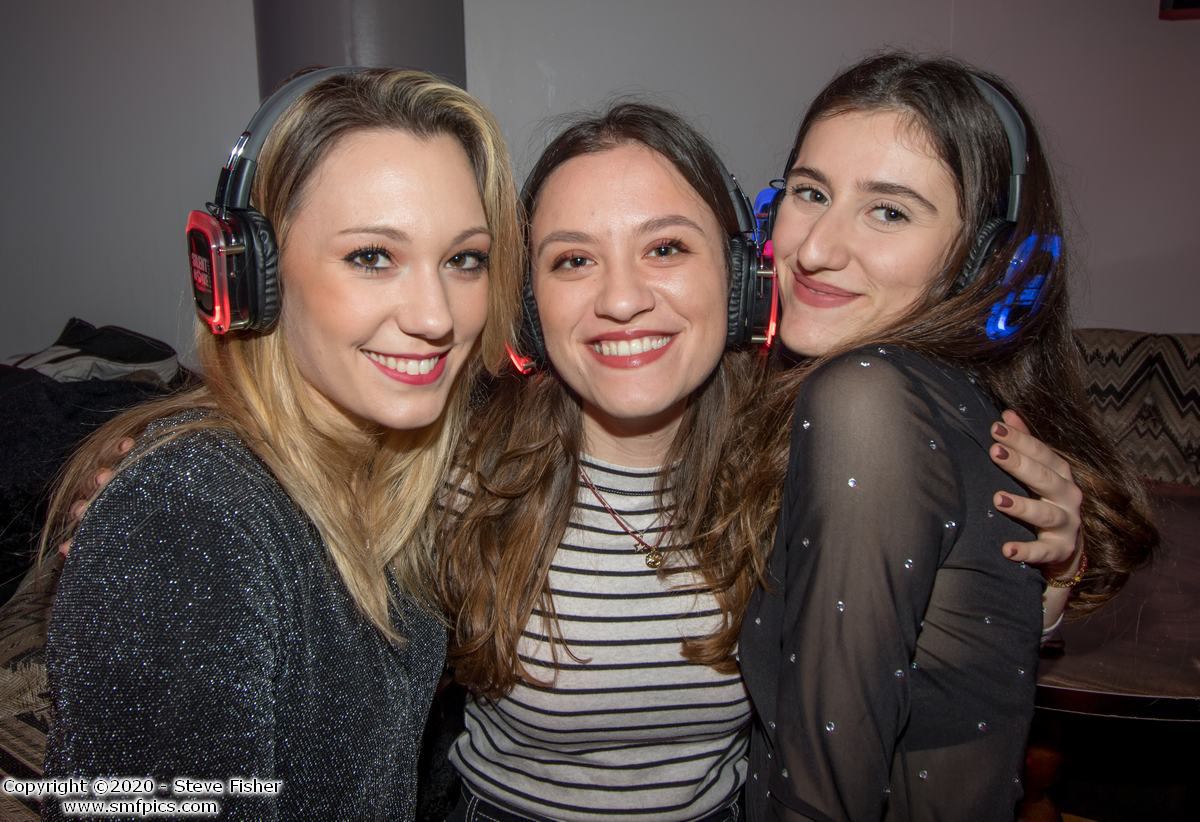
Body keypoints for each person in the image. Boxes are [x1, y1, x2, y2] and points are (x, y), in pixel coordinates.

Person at [436, 102, 1086, 822]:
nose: (620, 300)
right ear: (529, 308)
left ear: (743, 276)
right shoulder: (461, 475)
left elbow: (907, 666)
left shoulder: (811, 463)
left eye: (666, 249)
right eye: (574, 260)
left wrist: (1033, 579)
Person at [39, 67, 520, 820]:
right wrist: (155, 521)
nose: (436, 316)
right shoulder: (191, 517)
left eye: (464, 259)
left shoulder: (398, 469)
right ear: (252, 276)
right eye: (372, 256)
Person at [730, 53, 1157, 820]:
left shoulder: (866, 399)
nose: (816, 248)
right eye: (810, 192)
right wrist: (1042, 595)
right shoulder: (939, 401)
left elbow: (825, 797)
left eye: (889, 212)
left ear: (984, 260)